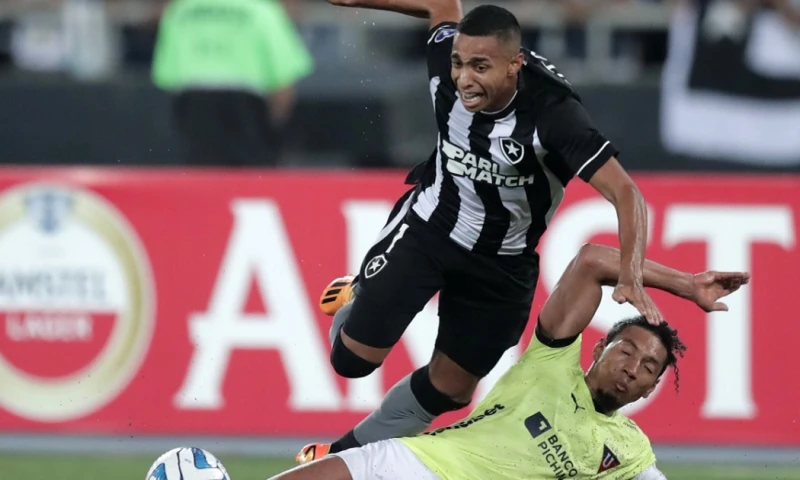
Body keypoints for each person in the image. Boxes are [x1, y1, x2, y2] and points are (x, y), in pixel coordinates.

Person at [300, 1, 664, 461]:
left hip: (503, 262)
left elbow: (627, 194)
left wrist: (631, 273)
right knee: (351, 363)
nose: (464, 78)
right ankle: (359, 293)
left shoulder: (554, 114)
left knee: (451, 390)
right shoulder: (447, 63)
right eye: (458, 63)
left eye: (480, 66)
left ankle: (336, 456)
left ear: (515, 65)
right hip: (430, 230)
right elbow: (441, 5)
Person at [273, 243, 750, 479]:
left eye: (649, 369)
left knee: (446, 388)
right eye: (627, 351)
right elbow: (591, 261)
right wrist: (686, 285)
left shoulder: (629, 453)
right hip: (424, 466)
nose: (633, 368)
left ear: (649, 391)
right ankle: (358, 303)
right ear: (600, 348)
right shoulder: (554, 361)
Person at [151, 0, 314, 167]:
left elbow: (167, 80)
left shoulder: (180, 10)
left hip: (194, 107)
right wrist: (273, 132)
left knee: (198, 180)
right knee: (248, 183)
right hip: (246, 109)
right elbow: (283, 89)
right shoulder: (261, 9)